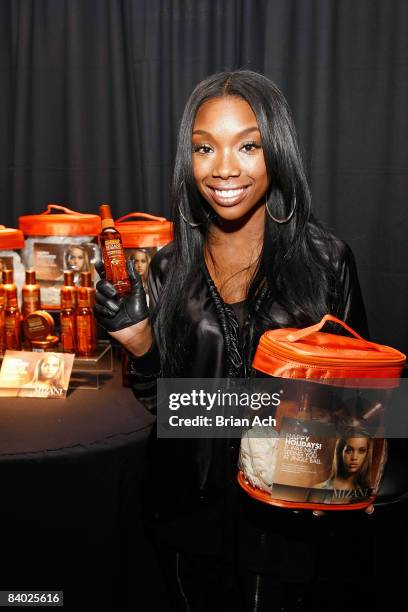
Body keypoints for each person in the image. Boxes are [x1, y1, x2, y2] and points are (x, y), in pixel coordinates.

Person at [94, 70, 371, 611]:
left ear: (279, 152)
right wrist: (141, 344)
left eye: (248, 145)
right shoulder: (170, 266)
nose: (223, 167)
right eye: (204, 148)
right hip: (184, 521)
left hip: (288, 528)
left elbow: (361, 409)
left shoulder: (326, 262)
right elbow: (161, 406)